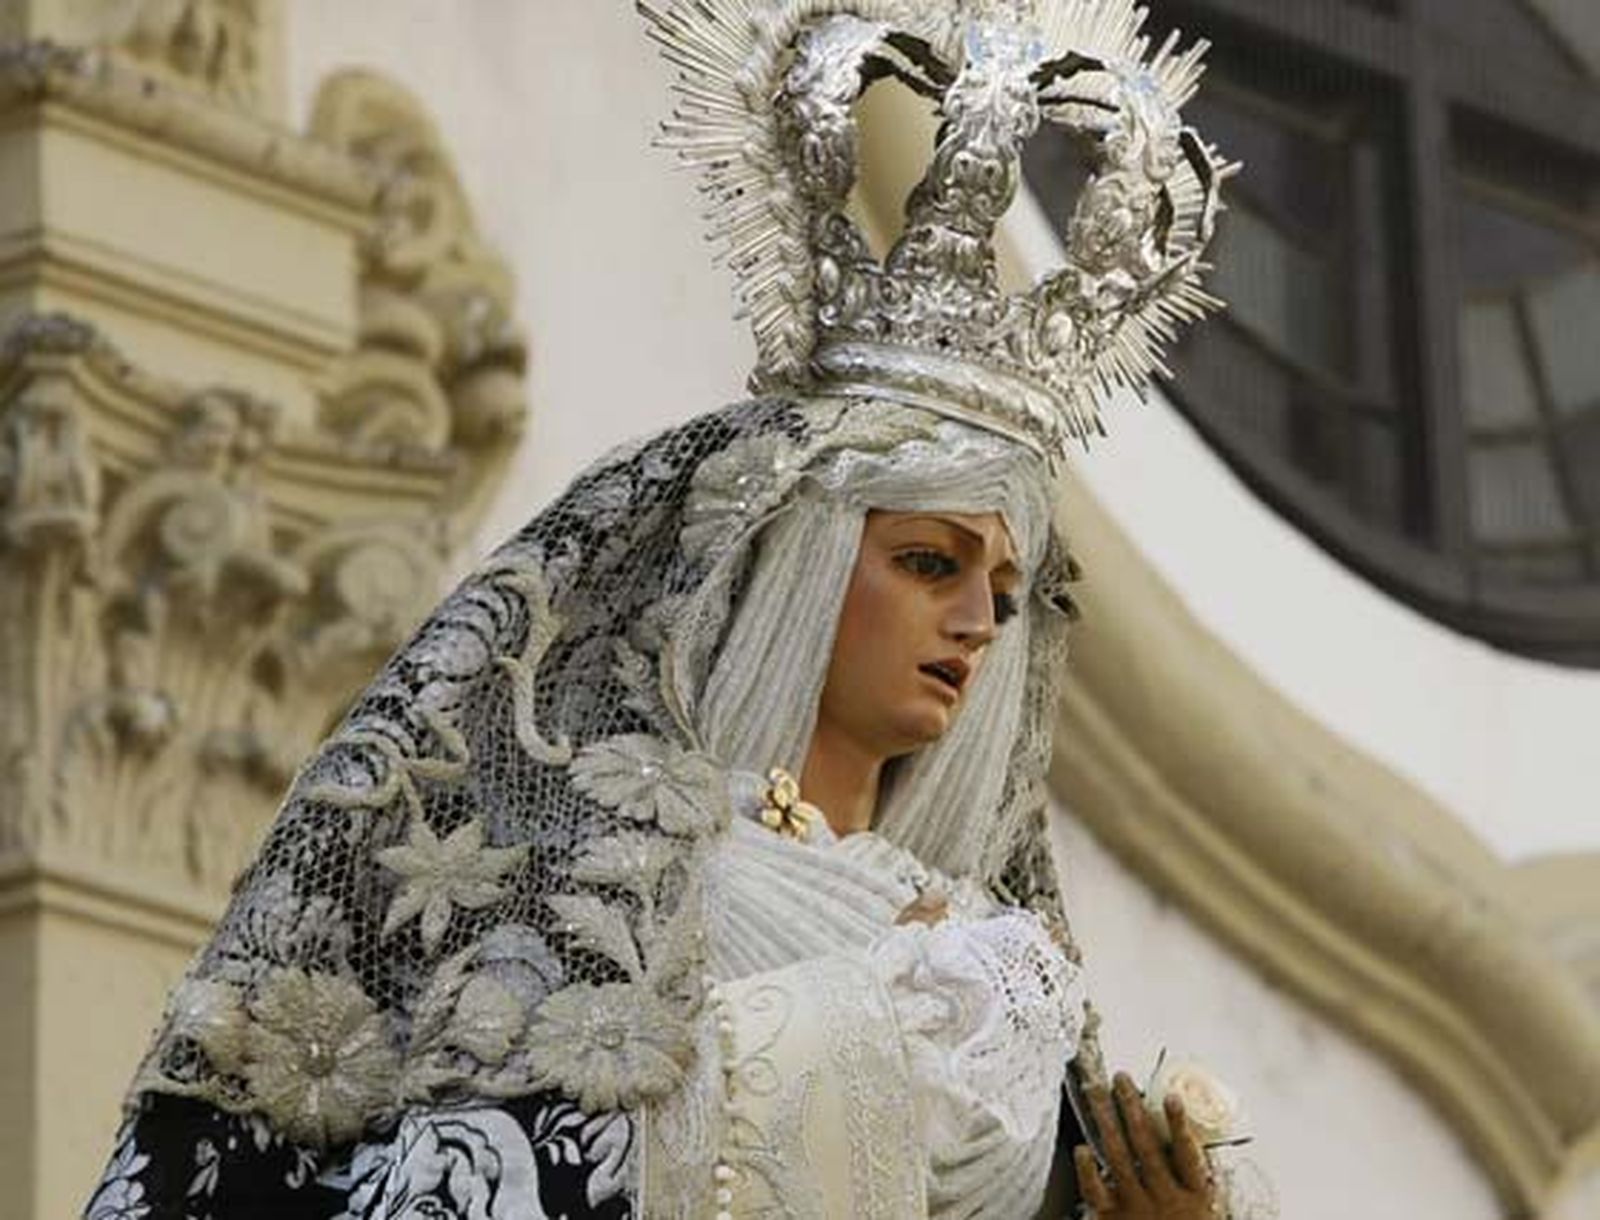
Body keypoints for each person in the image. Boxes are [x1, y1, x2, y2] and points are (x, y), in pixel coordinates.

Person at [86, 0, 1235, 1216]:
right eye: (927, 563)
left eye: (1003, 592)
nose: (976, 624)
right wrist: (868, 1047)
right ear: (797, 564)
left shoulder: (1010, 982)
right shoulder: (605, 882)